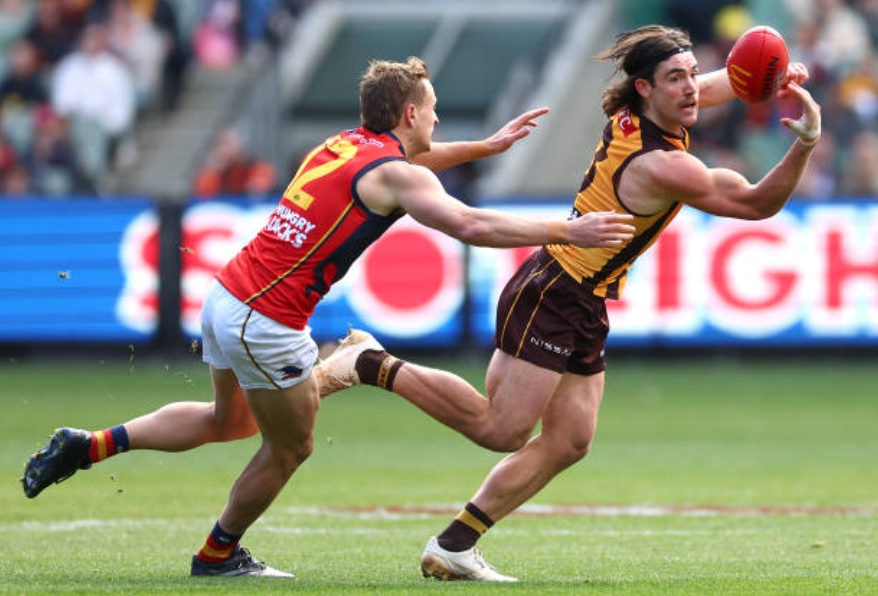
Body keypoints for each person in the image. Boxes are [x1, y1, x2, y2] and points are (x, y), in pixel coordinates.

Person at [20, 57, 635, 578]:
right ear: (410, 115)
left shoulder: (344, 144)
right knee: (290, 447)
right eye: (434, 107)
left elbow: (412, 166)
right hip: (267, 321)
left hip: (227, 296)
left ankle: (90, 444)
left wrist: (486, 146)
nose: (439, 117)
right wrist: (566, 228)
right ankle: (218, 554)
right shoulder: (392, 171)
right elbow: (469, 223)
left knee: (225, 421)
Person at [316, 25, 821, 582]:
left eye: (688, 76)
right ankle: (369, 364)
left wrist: (769, 80)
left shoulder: (638, 113)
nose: (690, 89)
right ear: (646, 89)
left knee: (570, 440)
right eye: (675, 79)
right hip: (556, 290)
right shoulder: (666, 166)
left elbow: (711, 86)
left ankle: (455, 544)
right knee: (501, 430)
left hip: (583, 297)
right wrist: (805, 143)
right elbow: (756, 204)